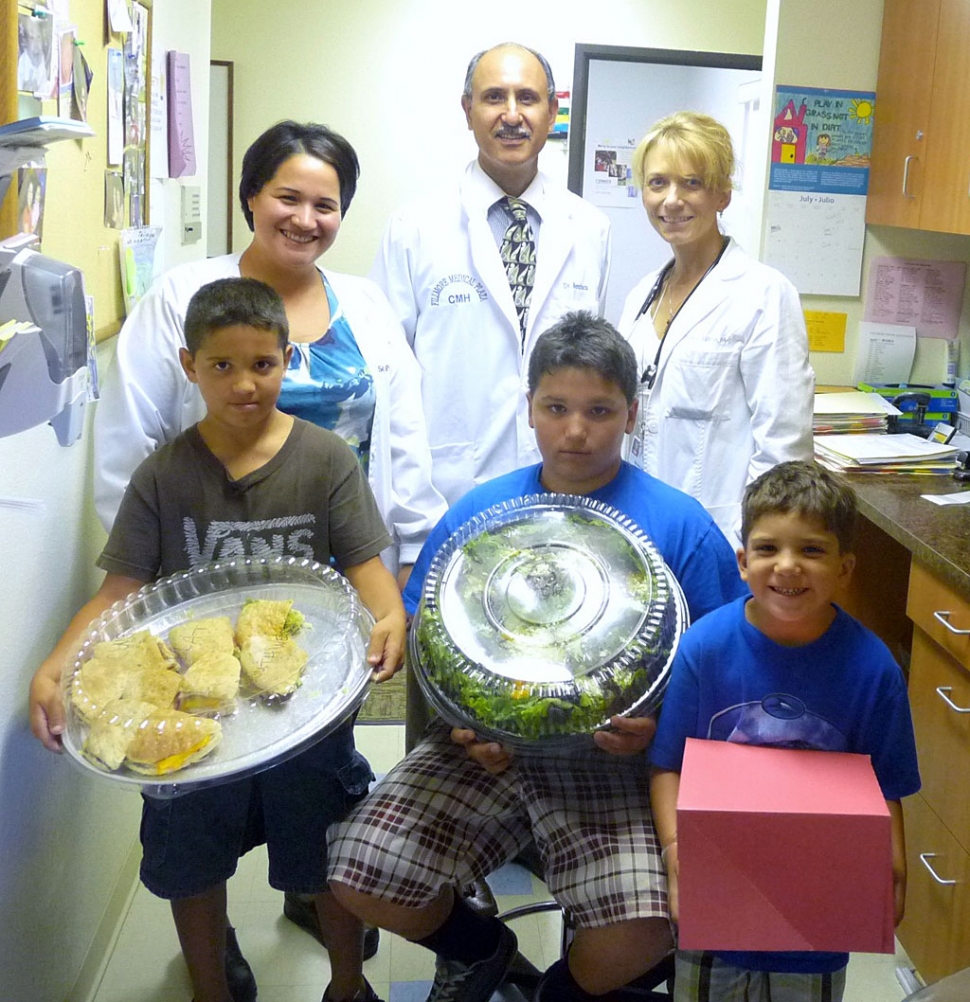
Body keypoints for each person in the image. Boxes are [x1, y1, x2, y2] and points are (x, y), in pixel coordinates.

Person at [327, 311, 748, 1002]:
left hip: (620, 770)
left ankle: (564, 992)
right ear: (529, 408)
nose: (576, 430)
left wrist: (660, 729)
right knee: (358, 872)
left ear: (632, 414)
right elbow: (430, 638)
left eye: (599, 410)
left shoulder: (680, 523)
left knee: (646, 928)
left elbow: (727, 666)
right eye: (556, 407)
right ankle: (482, 950)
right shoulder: (482, 512)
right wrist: (458, 727)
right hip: (488, 755)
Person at [29, 278, 406, 1002]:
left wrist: (388, 615)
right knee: (190, 858)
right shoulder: (165, 475)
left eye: (263, 364)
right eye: (223, 366)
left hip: (307, 708)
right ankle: (211, 986)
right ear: (188, 365)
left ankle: (348, 983)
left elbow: (364, 567)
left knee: (326, 842)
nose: (244, 384)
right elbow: (121, 595)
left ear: (288, 360)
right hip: (194, 712)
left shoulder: (325, 459)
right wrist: (55, 667)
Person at [94, 120, 446, 587]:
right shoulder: (181, 298)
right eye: (288, 198)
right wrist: (150, 571)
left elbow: (405, 440)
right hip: (211, 577)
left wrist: (414, 553)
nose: (305, 220)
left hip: (352, 577)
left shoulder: (367, 305)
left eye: (325, 205)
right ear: (251, 197)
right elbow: (129, 448)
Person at [649, 460, 920, 1002]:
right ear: (744, 560)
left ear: (845, 568)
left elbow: (884, 785)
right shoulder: (704, 648)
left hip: (816, 908)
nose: (789, 567)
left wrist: (891, 868)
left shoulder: (873, 669)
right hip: (719, 894)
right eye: (769, 549)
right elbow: (668, 765)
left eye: (812, 551)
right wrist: (677, 852)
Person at [372, 42, 611, 507]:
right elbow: (387, 383)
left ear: (552, 110)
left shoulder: (590, 228)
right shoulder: (414, 229)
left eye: (527, 98)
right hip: (444, 494)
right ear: (467, 110)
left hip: (563, 490)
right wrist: (409, 517)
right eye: (494, 97)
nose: (511, 114)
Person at [618, 111, 814, 546]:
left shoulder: (764, 294)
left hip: (721, 538)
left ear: (722, 194)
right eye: (657, 183)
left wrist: (760, 547)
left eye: (692, 183)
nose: (671, 200)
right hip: (638, 527)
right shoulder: (640, 298)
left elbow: (784, 447)